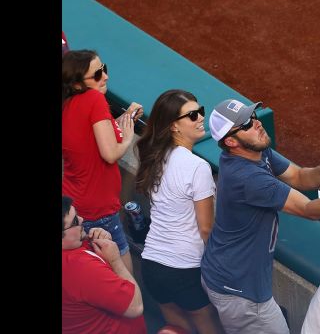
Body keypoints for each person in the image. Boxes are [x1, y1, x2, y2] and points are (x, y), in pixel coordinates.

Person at [201, 98, 320, 334]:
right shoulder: (249, 179)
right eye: (246, 124)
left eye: (253, 117)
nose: (257, 124)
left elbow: (300, 177)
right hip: (240, 292)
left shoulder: (255, 153)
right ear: (231, 141)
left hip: (229, 275)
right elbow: (309, 210)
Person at [135, 89, 225, 334]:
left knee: (179, 328)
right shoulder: (198, 167)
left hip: (151, 266)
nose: (200, 118)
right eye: (192, 115)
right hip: (184, 269)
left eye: (200, 112)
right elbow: (206, 228)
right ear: (174, 126)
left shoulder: (155, 158)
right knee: (209, 327)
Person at [62, 49, 143, 273]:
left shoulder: (68, 104)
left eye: (103, 69)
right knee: (125, 281)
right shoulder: (93, 99)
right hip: (99, 212)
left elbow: (91, 140)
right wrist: (127, 138)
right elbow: (110, 153)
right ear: (78, 84)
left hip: (74, 208)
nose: (105, 76)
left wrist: (124, 119)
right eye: (97, 74)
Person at [62, 195, 146, 334]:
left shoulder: (73, 249)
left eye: (77, 214)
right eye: (75, 221)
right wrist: (115, 260)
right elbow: (135, 306)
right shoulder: (81, 268)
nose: (82, 220)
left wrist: (96, 243)